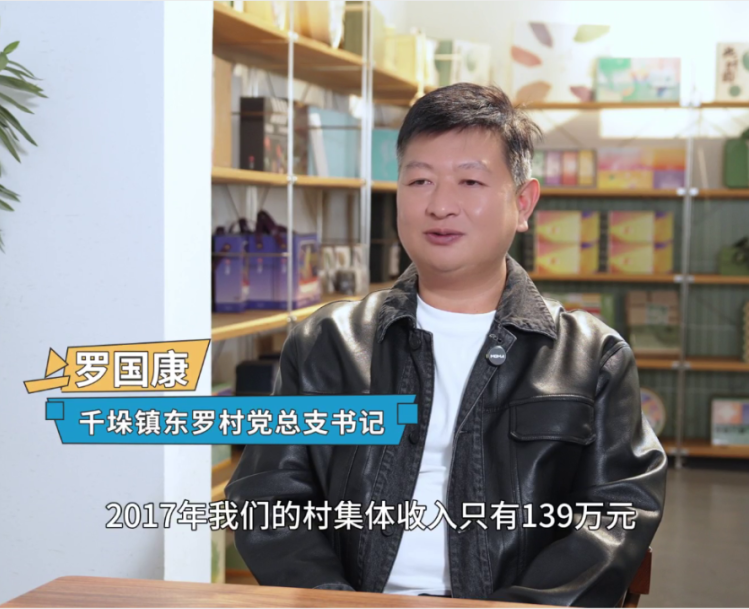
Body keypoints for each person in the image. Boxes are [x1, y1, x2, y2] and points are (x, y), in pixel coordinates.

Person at [225, 83, 668, 607]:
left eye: (470, 181)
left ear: (523, 202)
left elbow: (618, 511)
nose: (439, 205)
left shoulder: (592, 358)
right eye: (420, 180)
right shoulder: (329, 342)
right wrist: (336, 603)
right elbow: (266, 498)